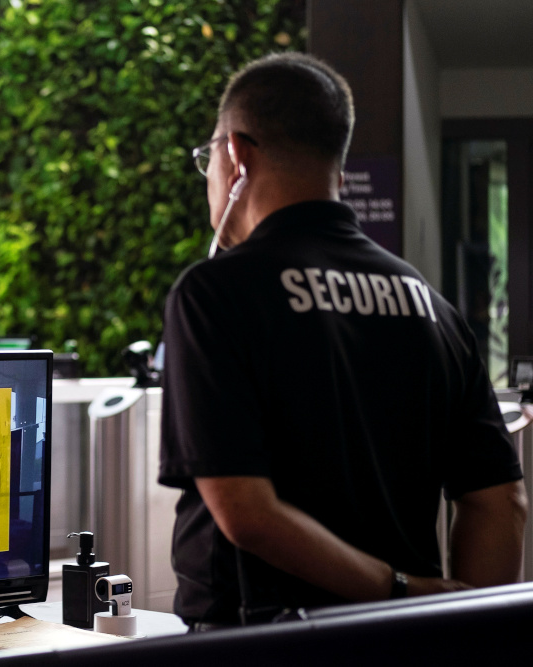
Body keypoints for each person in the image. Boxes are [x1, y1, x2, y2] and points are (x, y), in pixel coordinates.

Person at [158, 53, 527, 629]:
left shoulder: (216, 294)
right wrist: (458, 628)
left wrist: (397, 591)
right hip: (405, 645)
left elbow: (246, 513)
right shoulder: (434, 307)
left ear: (236, 154)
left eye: (208, 157)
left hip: (255, 642)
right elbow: (501, 502)